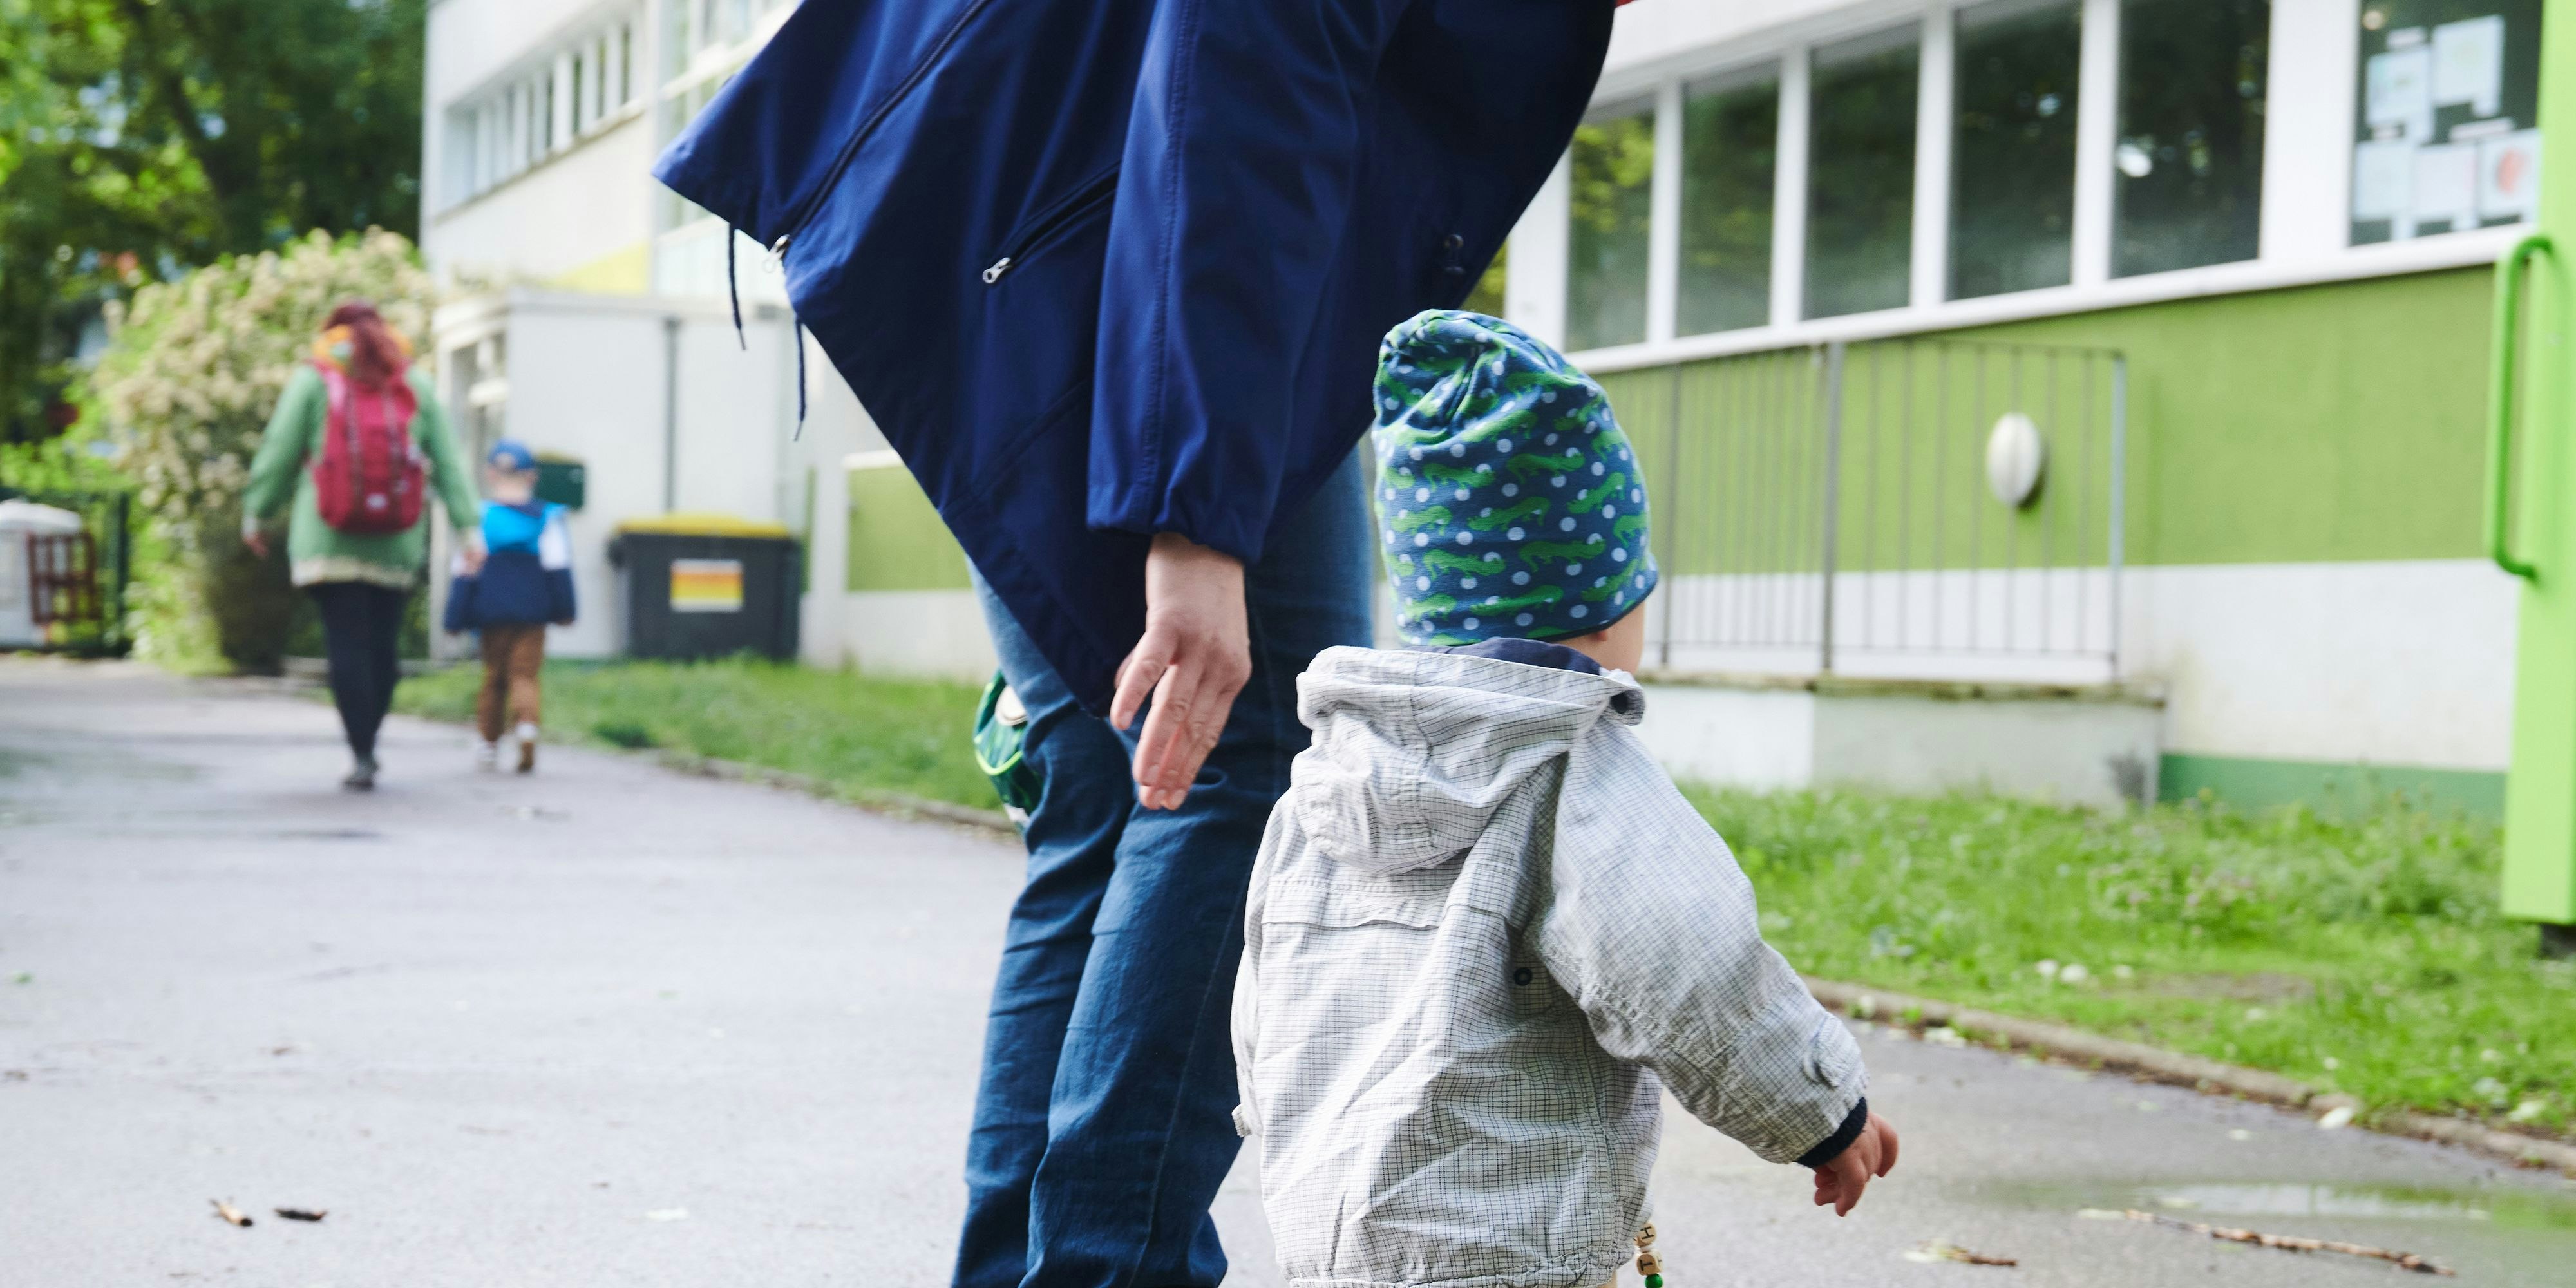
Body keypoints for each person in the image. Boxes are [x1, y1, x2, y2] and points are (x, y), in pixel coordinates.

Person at [651, 3, 1622, 1283]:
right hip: (1134, 273)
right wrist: (1192, 518)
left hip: (1038, 226)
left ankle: (1029, 1266)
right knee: (1241, 761)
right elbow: (1239, 96)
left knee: (1118, 803)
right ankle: (1109, 1267)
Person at [1232, 312, 1900, 1288]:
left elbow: (1267, 993)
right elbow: (1689, 968)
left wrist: (1283, 1126)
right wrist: (1820, 1114)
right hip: (1504, 1243)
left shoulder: (1326, 774)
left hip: (1323, 1233)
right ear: (1601, 608)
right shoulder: (1573, 771)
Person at [243, 302, 482, 791]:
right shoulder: (413, 383)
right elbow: (449, 461)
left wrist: (259, 512)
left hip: (326, 539)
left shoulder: (315, 379)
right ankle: (369, 737)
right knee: (382, 649)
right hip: (396, 541)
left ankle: (362, 751)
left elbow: (280, 452)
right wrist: (469, 528)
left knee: (346, 645)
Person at [442, 440, 576, 774]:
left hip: (492, 613)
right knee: (525, 674)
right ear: (531, 477)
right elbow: (558, 569)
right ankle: (528, 727)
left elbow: (466, 570)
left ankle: (488, 745)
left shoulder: (480, 519)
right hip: (534, 615)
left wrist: (454, 617)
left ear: (491, 475)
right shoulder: (548, 519)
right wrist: (565, 611)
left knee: (495, 677)